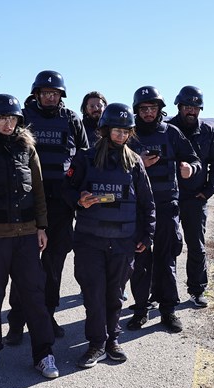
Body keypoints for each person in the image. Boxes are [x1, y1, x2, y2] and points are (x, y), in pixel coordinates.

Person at [0, 94, 58, 379]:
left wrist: (41, 227)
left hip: (27, 235)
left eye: (13, 118)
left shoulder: (27, 148)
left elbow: (39, 190)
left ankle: (44, 354)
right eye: (2, 118)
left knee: (33, 295)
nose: (8, 123)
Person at [65, 103, 155, 367]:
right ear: (105, 130)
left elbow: (146, 203)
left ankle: (112, 340)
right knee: (93, 294)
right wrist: (79, 200)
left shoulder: (134, 161)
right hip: (90, 241)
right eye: (116, 130)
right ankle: (96, 344)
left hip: (123, 241)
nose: (121, 136)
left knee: (115, 294)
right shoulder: (85, 158)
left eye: (126, 131)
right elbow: (65, 190)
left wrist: (147, 235)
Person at [18, 71, 89, 339]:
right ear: (36, 94)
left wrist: (78, 192)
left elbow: (83, 156)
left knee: (54, 262)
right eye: (45, 92)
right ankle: (17, 320)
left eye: (55, 93)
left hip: (61, 202)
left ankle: (48, 315)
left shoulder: (71, 119)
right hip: (27, 200)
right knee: (23, 262)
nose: (50, 96)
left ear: (61, 95)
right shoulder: (23, 117)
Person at [125, 86, 200, 333]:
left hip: (167, 206)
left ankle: (168, 310)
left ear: (160, 109)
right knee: (140, 260)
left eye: (153, 108)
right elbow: (113, 166)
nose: (148, 113)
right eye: (144, 109)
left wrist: (190, 167)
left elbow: (194, 159)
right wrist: (139, 163)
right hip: (138, 209)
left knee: (166, 259)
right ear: (137, 111)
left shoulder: (172, 133)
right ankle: (141, 309)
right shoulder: (130, 135)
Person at [167, 85, 214, 308]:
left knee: (196, 246)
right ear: (179, 106)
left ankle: (197, 290)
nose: (191, 111)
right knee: (166, 245)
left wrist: (209, 190)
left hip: (195, 197)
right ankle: (159, 292)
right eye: (187, 106)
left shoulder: (208, 132)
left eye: (195, 107)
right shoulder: (166, 128)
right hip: (168, 196)